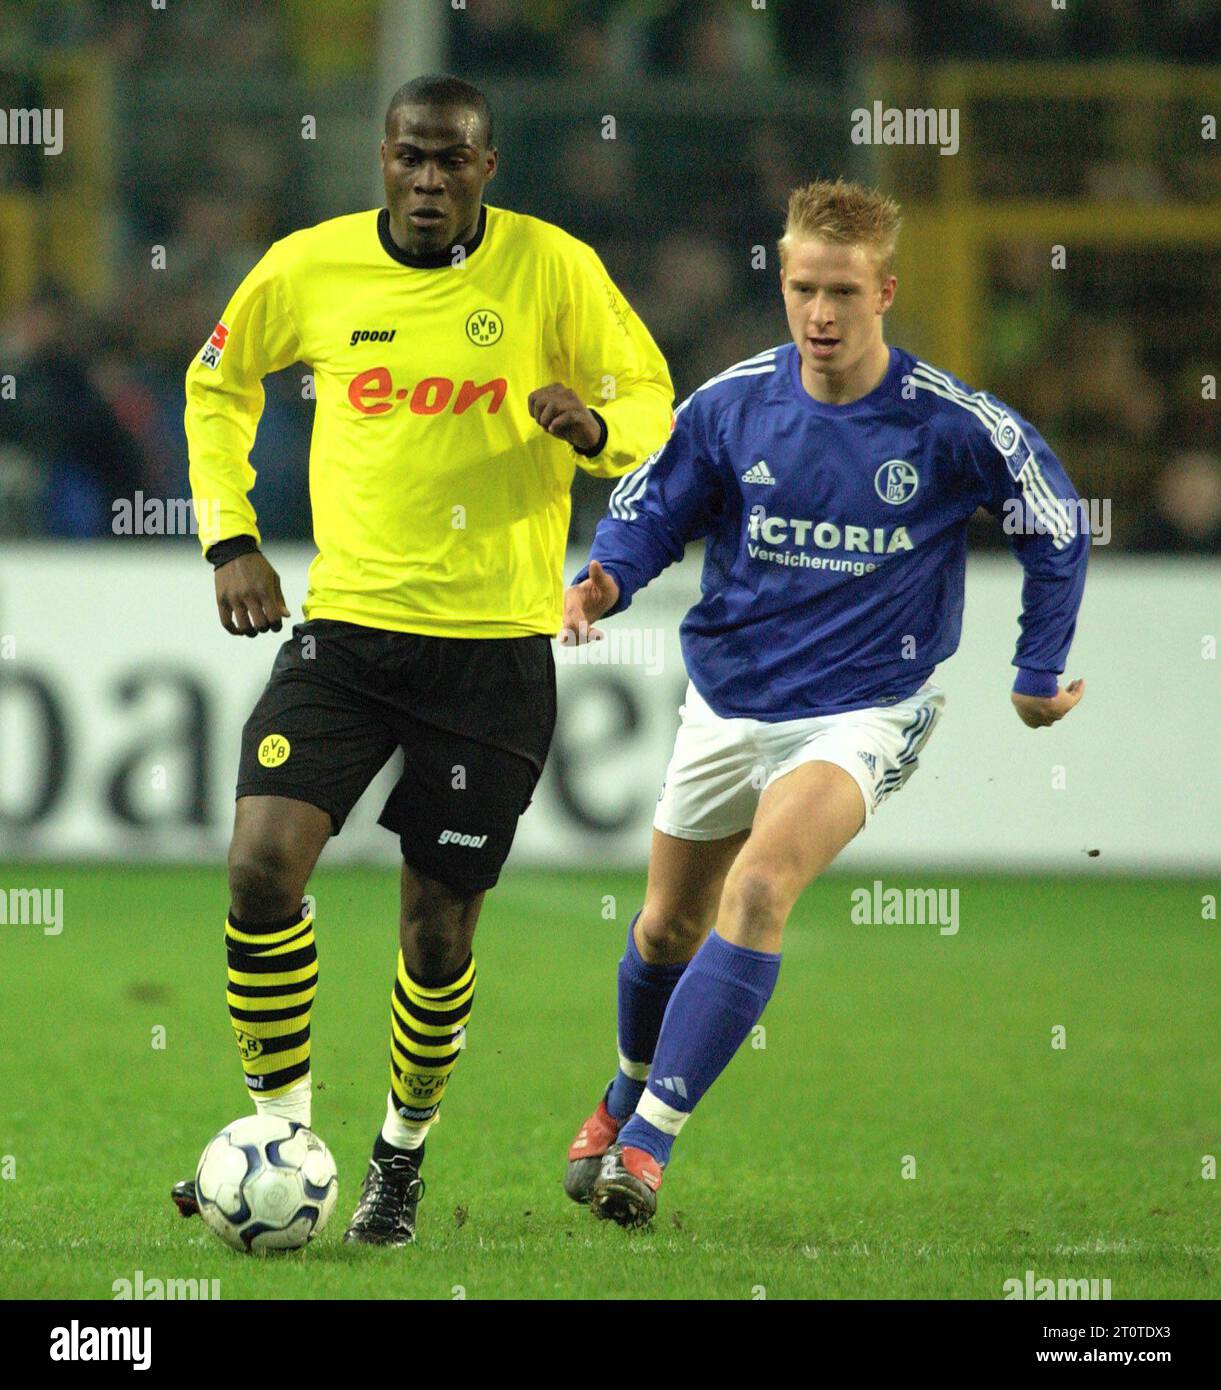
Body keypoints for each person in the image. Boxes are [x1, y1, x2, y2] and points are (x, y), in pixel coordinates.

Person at [174, 74, 672, 1246]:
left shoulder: (554, 268)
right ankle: (281, 1136)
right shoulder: (310, 265)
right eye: (410, 157)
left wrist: (599, 431)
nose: (430, 180)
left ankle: (398, 1157)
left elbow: (656, 402)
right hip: (347, 632)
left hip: (493, 648)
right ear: (382, 160)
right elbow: (217, 381)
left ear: (487, 169)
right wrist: (229, 536)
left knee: (437, 932)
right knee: (258, 868)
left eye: (453, 161)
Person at [561, 177, 1088, 1228]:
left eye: (843, 290)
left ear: (885, 290)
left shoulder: (946, 425)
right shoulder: (732, 404)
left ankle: (651, 1142)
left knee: (757, 892)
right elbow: (653, 509)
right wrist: (602, 580)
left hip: (860, 708)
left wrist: (1036, 671)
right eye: (803, 287)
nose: (820, 313)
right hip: (728, 697)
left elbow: (1055, 520)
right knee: (666, 927)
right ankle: (625, 1088)